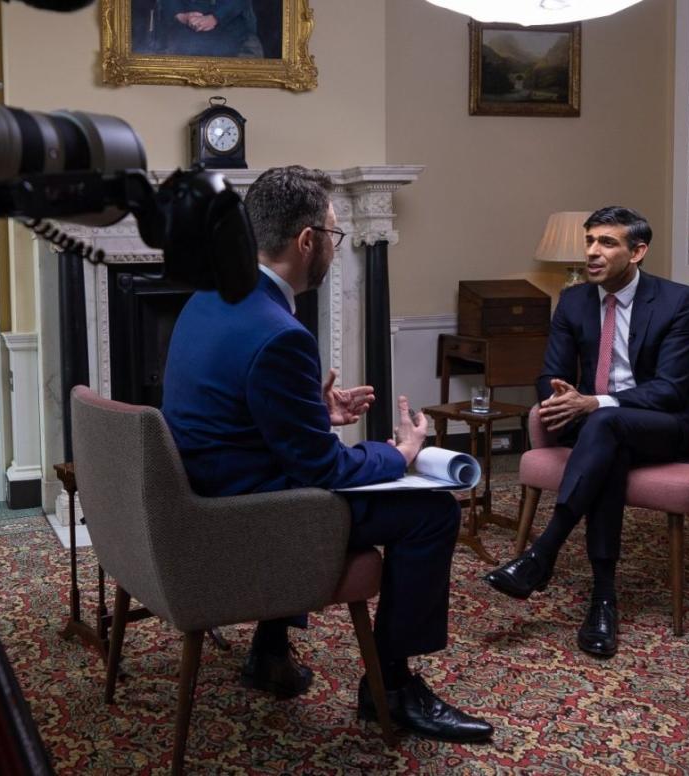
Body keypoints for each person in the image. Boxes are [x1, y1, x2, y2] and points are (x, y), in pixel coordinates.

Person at [162, 166, 493, 743]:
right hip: (248, 512)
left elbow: (239, 412)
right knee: (432, 513)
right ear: (307, 241)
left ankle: (269, 651)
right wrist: (401, 454)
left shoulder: (211, 292)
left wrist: (311, 413)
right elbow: (321, 470)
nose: (335, 250)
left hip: (206, 487)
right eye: (334, 236)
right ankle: (390, 687)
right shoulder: (279, 330)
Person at [483, 206, 689, 659]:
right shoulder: (572, 301)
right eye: (589, 241)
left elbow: (669, 389)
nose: (592, 251)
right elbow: (550, 372)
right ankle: (603, 598)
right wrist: (559, 396)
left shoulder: (676, 300)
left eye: (607, 243)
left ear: (638, 251)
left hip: (665, 425)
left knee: (607, 425)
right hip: (600, 428)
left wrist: (595, 403)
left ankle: (543, 552)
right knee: (610, 446)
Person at [134, 0, 264, 58]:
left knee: (219, 49)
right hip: (184, 20)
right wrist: (181, 16)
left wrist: (216, 17)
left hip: (227, 20)